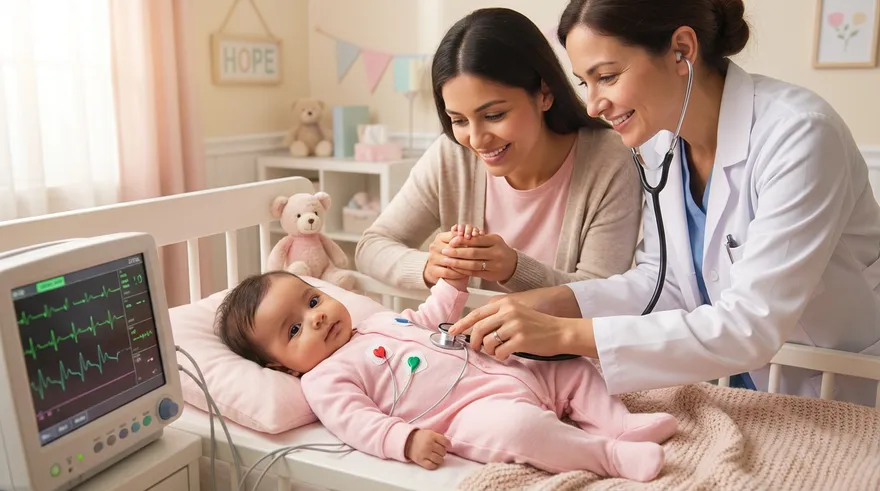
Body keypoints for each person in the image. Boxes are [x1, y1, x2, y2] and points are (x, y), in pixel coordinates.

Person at [449, 0, 880, 407]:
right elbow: (663, 281)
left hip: (834, 390)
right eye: (584, 82)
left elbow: (750, 324)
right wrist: (555, 301)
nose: (593, 105)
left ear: (682, 50)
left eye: (607, 76)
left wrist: (562, 333)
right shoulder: (661, 144)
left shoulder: (799, 135)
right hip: (739, 391)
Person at [215, 251, 677, 481]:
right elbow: (358, 423)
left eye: (313, 300)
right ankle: (609, 457)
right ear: (283, 368)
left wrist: (452, 282)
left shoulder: (377, 320)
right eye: (294, 329)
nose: (315, 317)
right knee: (520, 430)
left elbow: (430, 316)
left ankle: (620, 424)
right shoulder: (323, 380)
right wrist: (405, 440)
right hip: (470, 414)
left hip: (513, 369)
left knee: (569, 364)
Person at [355, 7, 642, 294]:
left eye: (494, 115)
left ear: (544, 93)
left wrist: (515, 269)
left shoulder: (609, 160)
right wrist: (430, 266)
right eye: (459, 120)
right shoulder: (452, 156)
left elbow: (602, 293)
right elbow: (371, 246)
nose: (477, 140)